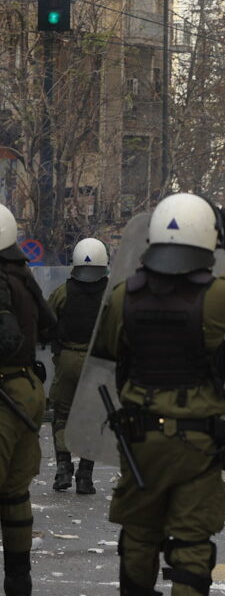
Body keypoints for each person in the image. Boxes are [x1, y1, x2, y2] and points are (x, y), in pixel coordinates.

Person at [91, 193, 225, 595]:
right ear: (208, 240)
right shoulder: (219, 295)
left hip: (139, 438)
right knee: (191, 544)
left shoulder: (125, 296)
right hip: (196, 442)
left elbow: (107, 351)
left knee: (139, 537)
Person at [0, 204, 57, 595]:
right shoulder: (21, 274)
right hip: (26, 388)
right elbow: (51, 326)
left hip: (4, 391)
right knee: (15, 492)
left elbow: (5, 340)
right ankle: (19, 582)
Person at [47, 237, 110, 494]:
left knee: (61, 414)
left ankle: (63, 467)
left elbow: (47, 321)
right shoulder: (111, 294)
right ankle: (85, 476)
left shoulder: (62, 292)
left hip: (68, 360)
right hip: (97, 363)